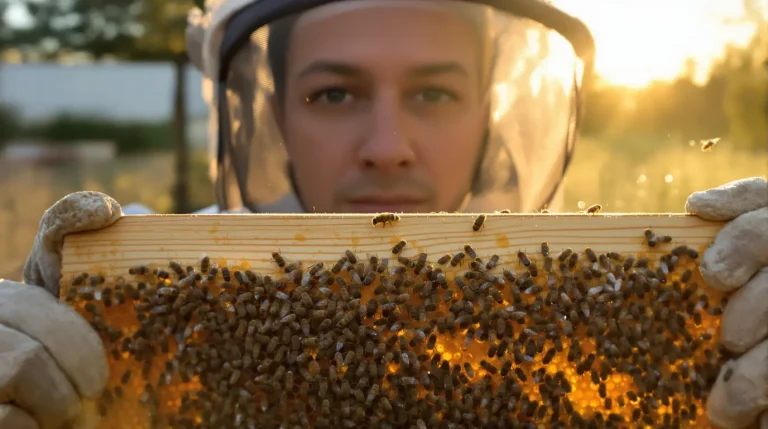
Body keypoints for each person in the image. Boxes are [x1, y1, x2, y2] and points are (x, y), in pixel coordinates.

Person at [0, 0, 766, 427]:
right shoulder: (146, 295)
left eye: (435, 92)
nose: (388, 146)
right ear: (270, 119)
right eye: (334, 93)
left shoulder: (628, 308)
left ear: (491, 118)